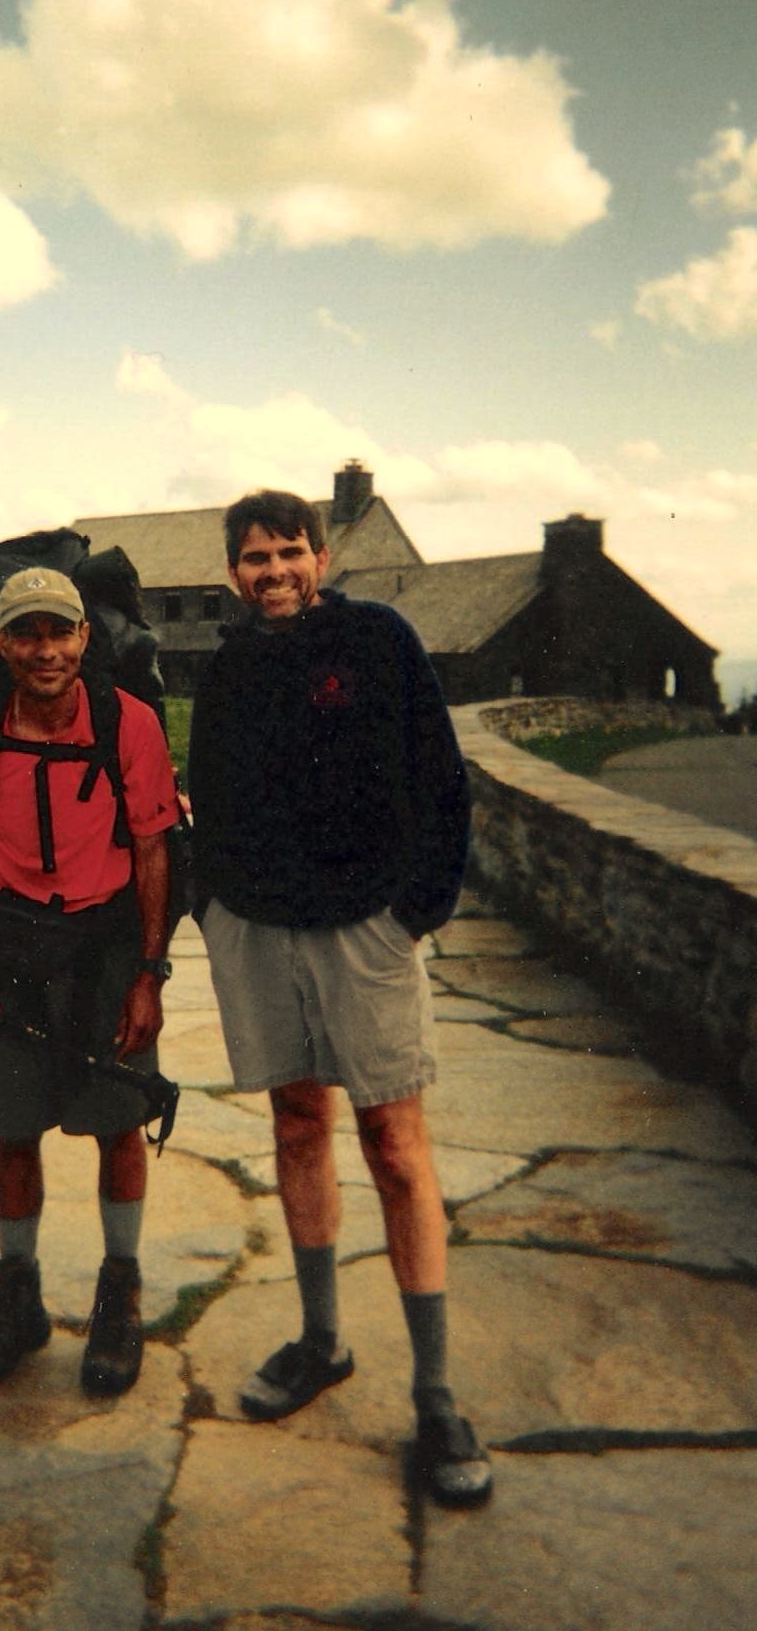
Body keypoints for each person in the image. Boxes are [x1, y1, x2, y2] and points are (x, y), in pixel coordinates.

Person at [187, 490, 492, 1506]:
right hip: (257, 928)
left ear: (321, 557)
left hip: (366, 926)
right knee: (296, 1123)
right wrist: (210, 907)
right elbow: (205, 789)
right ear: (232, 572)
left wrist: (413, 913)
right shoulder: (228, 664)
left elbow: (441, 779)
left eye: (289, 552)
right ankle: (321, 1340)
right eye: (254, 558)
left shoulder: (378, 640)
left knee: (395, 1146)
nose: (273, 571)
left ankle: (436, 1397)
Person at [0, 566, 178, 1397]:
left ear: (85, 637)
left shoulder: (128, 723)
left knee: (118, 1123)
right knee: (13, 1126)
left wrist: (148, 975)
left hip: (106, 952)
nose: (44, 649)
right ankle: (17, 1298)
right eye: (26, 633)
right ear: (0, 643)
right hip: (9, 951)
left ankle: (118, 1296)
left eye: (60, 631)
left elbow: (154, 850)